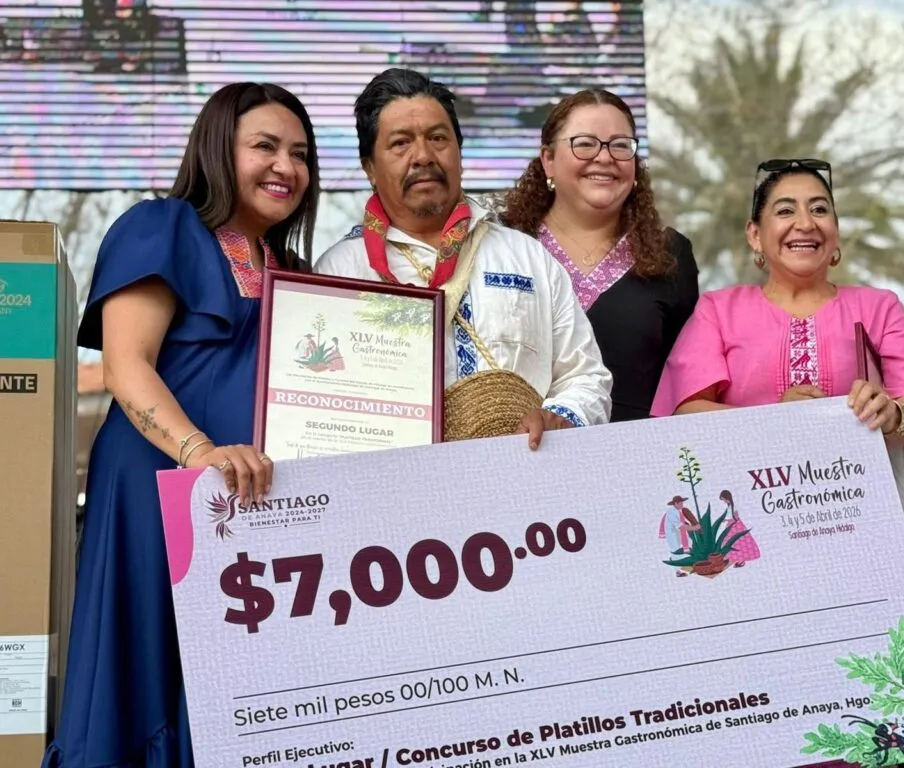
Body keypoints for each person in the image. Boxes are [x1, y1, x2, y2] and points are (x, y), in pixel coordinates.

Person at [44, 82, 319, 768]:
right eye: (265, 146)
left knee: (239, 690)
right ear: (218, 149)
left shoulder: (298, 273)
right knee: (150, 664)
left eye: (301, 154)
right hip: (160, 483)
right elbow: (125, 364)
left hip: (257, 502)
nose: (286, 166)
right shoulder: (162, 224)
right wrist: (199, 454)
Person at [650, 158, 904, 768]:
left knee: (869, 716)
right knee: (768, 714)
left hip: (862, 547)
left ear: (836, 234)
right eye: (784, 210)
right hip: (749, 550)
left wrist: (889, 413)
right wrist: (774, 422)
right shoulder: (719, 311)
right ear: (755, 236)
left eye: (820, 209)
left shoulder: (879, 305)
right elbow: (683, 417)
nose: (804, 222)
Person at [316, 68, 612, 445]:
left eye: (438, 138)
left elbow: (587, 376)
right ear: (369, 167)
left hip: (524, 475)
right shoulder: (338, 272)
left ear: (459, 151)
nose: (423, 155)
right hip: (393, 489)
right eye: (400, 143)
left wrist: (561, 418)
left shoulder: (526, 257)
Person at [499, 88, 699, 421]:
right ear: (548, 159)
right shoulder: (504, 245)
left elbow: (685, 386)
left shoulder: (670, 254)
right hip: (517, 456)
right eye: (585, 143)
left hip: (636, 461)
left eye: (620, 145)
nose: (605, 158)